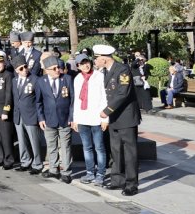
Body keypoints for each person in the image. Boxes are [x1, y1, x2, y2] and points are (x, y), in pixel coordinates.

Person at [94, 44, 141, 196]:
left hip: (126, 117)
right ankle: (117, 180)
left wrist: (107, 111)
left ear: (104, 59)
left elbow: (123, 93)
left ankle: (131, 184)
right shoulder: (106, 71)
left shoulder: (122, 69)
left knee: (129, 151)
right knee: (115, 150)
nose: (95, 61)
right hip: (114, 117)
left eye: (96, 58)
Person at [36, 55, 75, 183]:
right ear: (47, 70)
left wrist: (71, 117)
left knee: (65, 146)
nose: (58, 70)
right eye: (54, 68)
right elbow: (39, 102)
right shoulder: (41, 81)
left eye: (58, 67)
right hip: (49, 119)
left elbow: (72, 100)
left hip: (65, 119)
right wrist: (41, 118)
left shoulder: (67, 79)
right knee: (51, 146)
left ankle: (66, 172)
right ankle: (53, 170)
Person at [72, 53, 108, 187]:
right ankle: (90, 172)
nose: (86, 65)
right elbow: (76, 100)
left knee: (99, 147)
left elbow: (105, 97)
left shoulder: (99, 76)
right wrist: (75, 119)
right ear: (78, 66)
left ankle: (100, 174)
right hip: (83, 118)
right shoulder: (77, 79)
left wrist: (105, 118)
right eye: (82, 63)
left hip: (97, 117)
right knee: (87, 147)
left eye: (87, 62)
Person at [10, 56, 43, 174]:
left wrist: (40, 117)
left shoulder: (35, 79)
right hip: (18, 115)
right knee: (22, 141)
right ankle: (25, 161)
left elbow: (39, 100)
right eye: (21, 68)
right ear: (16, 70)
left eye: (25, 67)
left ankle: (37, 164)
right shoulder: (14, 81)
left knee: (34, 141)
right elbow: (14, 98)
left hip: (31, 115)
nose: (24, 70)